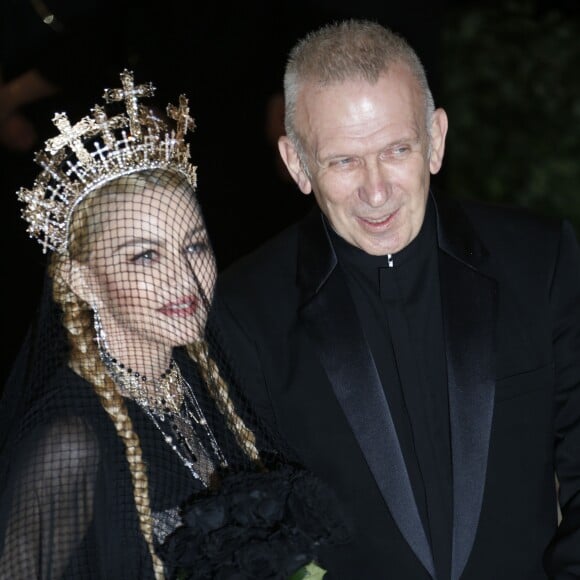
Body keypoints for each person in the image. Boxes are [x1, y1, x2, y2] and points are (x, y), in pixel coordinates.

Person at [215, 19, 580, 579]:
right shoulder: (245, 311)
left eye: (397, 150)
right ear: (297, 164)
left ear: (435, 140)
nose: (376, 190)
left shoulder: (541, 261)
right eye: (343, 161)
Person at [0, 70, 347, 579]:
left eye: (195, 246)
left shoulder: (204, 379)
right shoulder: (69, 442)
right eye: (144, 256)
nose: (185, 279)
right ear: (82, 282)